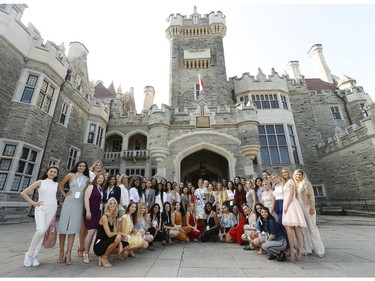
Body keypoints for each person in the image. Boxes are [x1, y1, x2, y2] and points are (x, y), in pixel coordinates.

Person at [21, 166, 59, 267]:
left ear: (56, 174)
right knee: (41, 230)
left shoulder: (56, 184)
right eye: (51, 171)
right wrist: (33, 203)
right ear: (47, 172)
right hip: (41, 208)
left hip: (52, 208)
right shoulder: (40, 182)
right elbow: (23, 193)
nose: (53, 173)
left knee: (44, 232)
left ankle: (35, 255)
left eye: (55, 172)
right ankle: (29, 254)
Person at [58, 161, 90, 265]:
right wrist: (64, 194)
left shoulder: (87, 179)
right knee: (63, 228)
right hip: (69, 202)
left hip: (79, 205)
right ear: (77, 166)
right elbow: (60, 185)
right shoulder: (70, 175)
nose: (82, 167)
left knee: (72, 229)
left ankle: (69, 253)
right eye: (80, 166)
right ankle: (61, 252)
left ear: (85, 168)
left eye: (84, 166)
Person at [294, 169, 325, 258]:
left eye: (300, 174)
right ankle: (308, 248)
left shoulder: (307, 184)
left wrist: (312, 207)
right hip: (300, 210)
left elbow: (312, 197)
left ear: (303, 175)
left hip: (307, 207)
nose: (298, 176)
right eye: (296, 174)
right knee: (304, 230)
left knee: (312, 228)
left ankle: (320, 250)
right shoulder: (295, 185)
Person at [78, 160, 104, 258]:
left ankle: (90, 248)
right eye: (96, 165)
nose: (98, 166)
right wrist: (88, 210)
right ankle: (81, 248)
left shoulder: (101, 181)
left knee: (93, 231)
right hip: (89, 203)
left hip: (98, 207)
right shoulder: (89, 174)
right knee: (84, 227)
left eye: (100, 165)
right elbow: (86, 193)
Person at [281, 167, 307, 262]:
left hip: (290, 204)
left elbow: (292, 195)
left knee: (292, 227)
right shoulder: (286, 182)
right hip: (288, 203)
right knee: (292, 227)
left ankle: (296, 249)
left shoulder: (291, 181)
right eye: (283, 172)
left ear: (289, 172)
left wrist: (286, 206)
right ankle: (298, 249)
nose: (284, 174)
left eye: (286, 172)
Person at [93, 197, 127, 267]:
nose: (112, 205)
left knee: (126, 244)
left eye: (114, 203)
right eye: (110, 203)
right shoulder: (104, 217)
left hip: (106, 242)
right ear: (107, 205)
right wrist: (120, 234)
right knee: (118, 237)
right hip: (99, 245)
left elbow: (114, 232)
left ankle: (105, 254)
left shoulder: (113, 217)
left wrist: (120, 242)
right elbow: (109, 234)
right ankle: (104, 257)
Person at [82, 173, 105, 264]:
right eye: (99, 178)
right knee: (90, 232)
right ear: (96, 178)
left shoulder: (100, 188)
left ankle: (87, 251)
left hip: (98, 213)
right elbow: (86, 199)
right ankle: (86, 253)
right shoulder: (91, 187)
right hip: (91, 212)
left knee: (94, 233)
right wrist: (88, 211)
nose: (100, 179)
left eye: (102, 178)